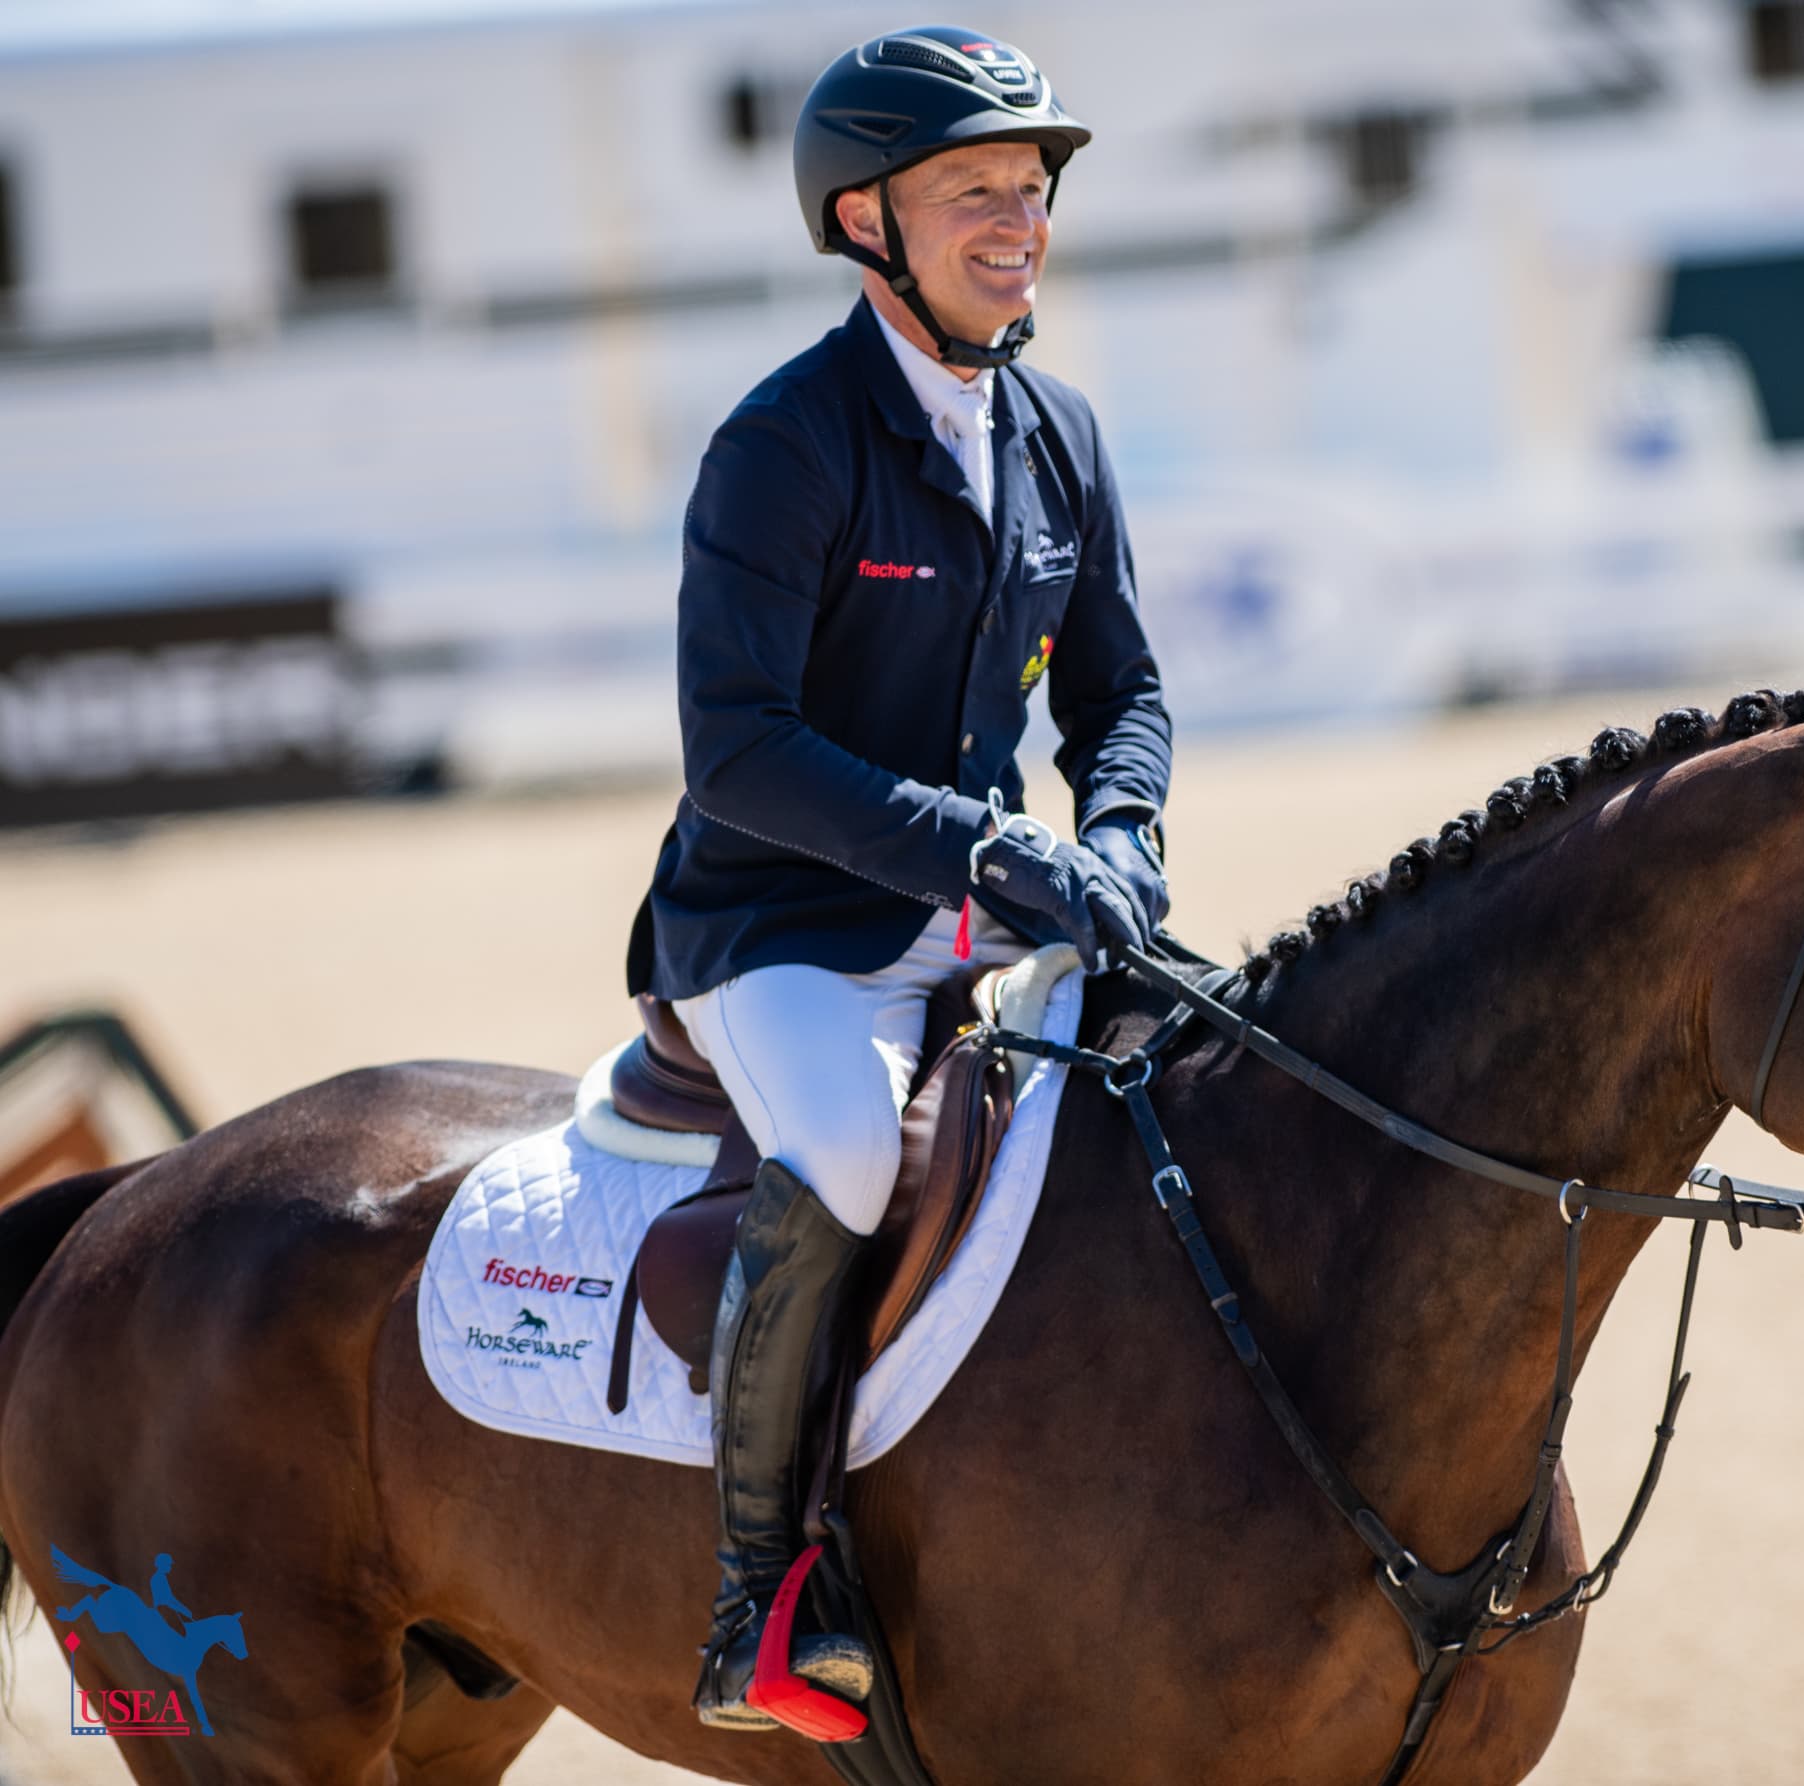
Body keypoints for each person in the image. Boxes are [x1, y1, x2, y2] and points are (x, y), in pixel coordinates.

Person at [621, 25, 1172, 1733]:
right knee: (854, 1149)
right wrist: (990, 848)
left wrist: (1122, 833)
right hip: (779, 928)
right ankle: (757, 1596)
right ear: (866, 221)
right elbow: (739, 749)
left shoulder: (1058, 430)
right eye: (973, 191)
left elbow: (1121, 694)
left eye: (1032, 187)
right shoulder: (784, 445)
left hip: (986, 914)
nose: (1019, 221)